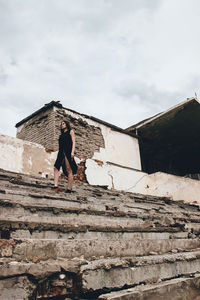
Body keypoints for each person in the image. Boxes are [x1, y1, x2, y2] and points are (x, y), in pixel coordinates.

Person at [52, 120, 77, 193]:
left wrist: (72, 152)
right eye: (61, 124)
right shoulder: (61, 135)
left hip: (68, 151)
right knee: (56, 168)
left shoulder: (71, 131)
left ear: (67, 125)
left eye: (63, 123)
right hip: (61, 152)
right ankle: (55, 185)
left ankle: (69, 188)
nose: (62, 125)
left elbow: (73, 142)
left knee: (69, 169)